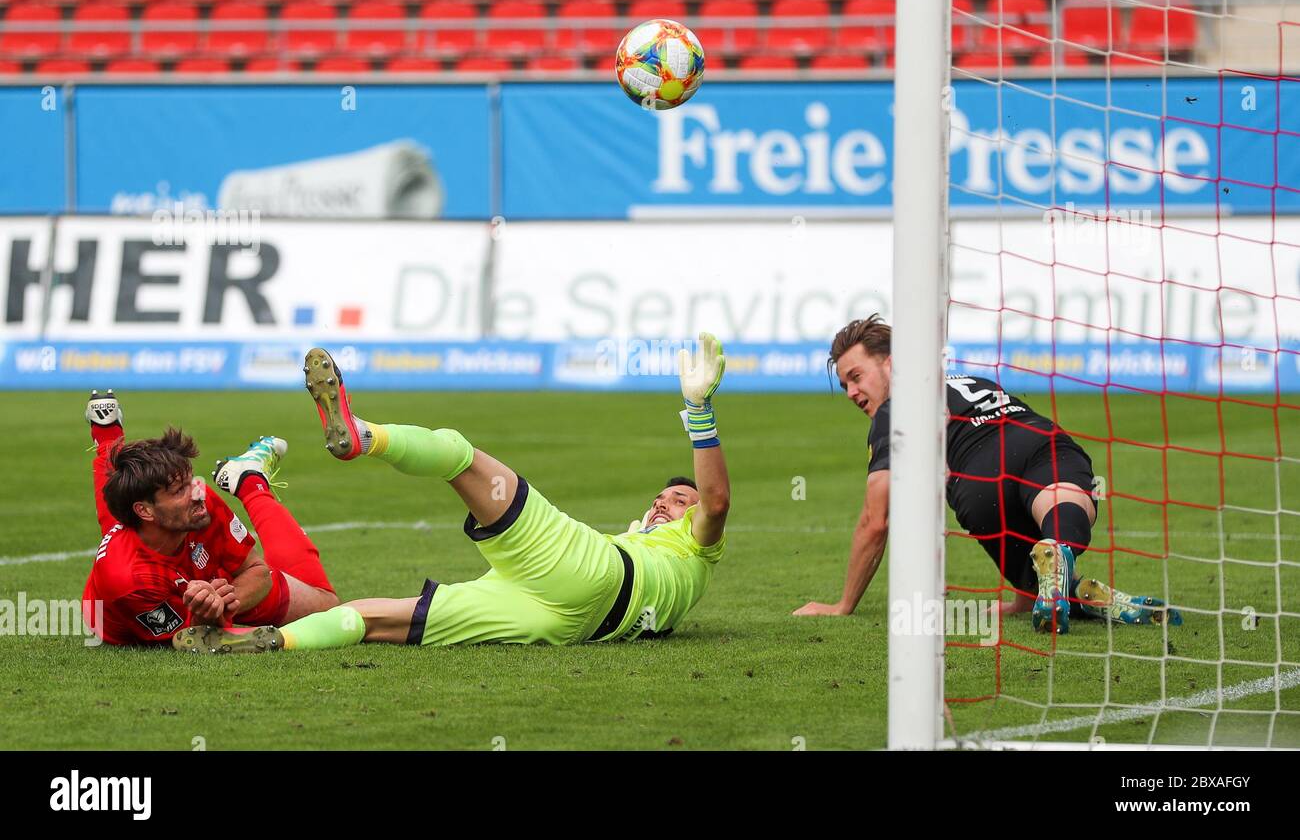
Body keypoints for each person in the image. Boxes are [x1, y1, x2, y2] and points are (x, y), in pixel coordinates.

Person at [173, 334, 732, 654]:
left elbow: (715, 502)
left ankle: (361, 436)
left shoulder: (695, 548)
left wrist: (700, 412)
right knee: (369, 618)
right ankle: (268, 643)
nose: (668, 503)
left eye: (678, 501)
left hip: (592, 575)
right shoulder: (656, 556)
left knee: (462, 457)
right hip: (567, 625)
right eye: (663, 498)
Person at [792, 316, 1180, 634]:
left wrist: (842, 605)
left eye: (856, 376)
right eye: (845, 384)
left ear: (892, 363)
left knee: (983, 499)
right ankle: (1060, 571)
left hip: (981, 481)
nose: (850, 392)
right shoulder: (970, 381)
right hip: (1046, 441)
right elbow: (1015, 429)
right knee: (1060, 501)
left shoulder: (894, 412)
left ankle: (1055, 588)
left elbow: (875, 521)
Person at [83, 390, 339, 646]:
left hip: (208, 579)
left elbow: (256, 570)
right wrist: (209, 611)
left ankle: (250, 482)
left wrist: (226, 600)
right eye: (179, 490)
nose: (197, 492)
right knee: (118, 513)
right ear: (145, 511)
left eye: (190, 481)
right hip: (140, 601)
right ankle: (108, 437)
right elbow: (191, 638)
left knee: (326, 608)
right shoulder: (128, 580)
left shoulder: (197, 502)